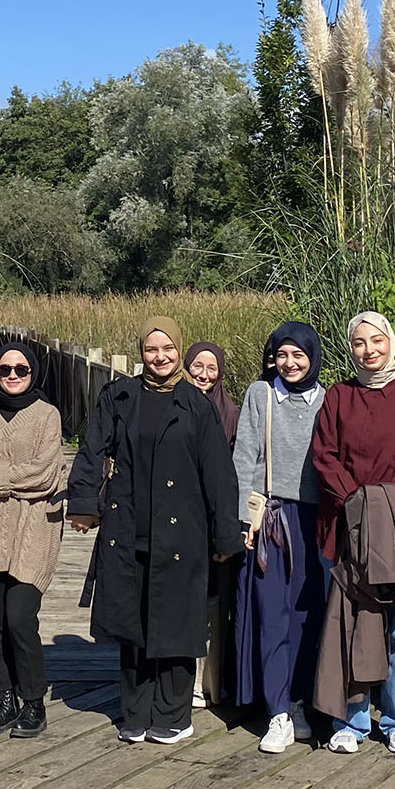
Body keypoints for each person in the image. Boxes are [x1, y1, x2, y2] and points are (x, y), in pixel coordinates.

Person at [68, 318, 241, 745]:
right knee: (133, 624)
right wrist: (84, 503)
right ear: (141, 351)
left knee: (176, 624)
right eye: (151, 349)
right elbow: (92, 449)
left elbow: (219, 474)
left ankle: (173, 714)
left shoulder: (196, 404)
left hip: (182, 534)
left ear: (178, 350)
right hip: (128, 528)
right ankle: (135, 711)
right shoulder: (120, 396)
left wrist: (225, 535)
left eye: (167, 349)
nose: (159, 357)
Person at [309, 311, 395, 754]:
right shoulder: (339, 396)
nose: (369, 350)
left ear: (391, 341)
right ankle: (352, 721)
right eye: (359, 343)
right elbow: (325, 455)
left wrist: (389, 506)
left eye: (377, 340)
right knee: (352, 628)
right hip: (347, 529)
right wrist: (357, 503)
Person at [0, 337, 66, 738]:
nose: (12, 376)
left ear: (32, 372)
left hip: (32, 529)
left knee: (19, 618)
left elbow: (46, 474)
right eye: (4, 370)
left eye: (21, 369)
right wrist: (1, 473)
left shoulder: (47, 415)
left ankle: (34, 701)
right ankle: (4, 698)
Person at [231, 322, 327, 753]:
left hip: (315, 518)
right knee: (272, 613)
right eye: (282, 355)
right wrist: (243, 519)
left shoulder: (328, 399)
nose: (289, 364)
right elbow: (244, 457)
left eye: (298, 355)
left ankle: (299, 701)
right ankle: (277, 712)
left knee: (307, 613)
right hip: (270, 516)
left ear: (312, 357)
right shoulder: (261, 395)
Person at [187, 340, 242, 709]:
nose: (204, 375)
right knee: (184, 602)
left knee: (215, 605)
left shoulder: (231, 413)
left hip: (216, 521)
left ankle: (212, 683)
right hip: (181, 520)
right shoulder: (173, 404)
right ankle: (185, 681)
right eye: (197, 366)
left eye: (212, 368)